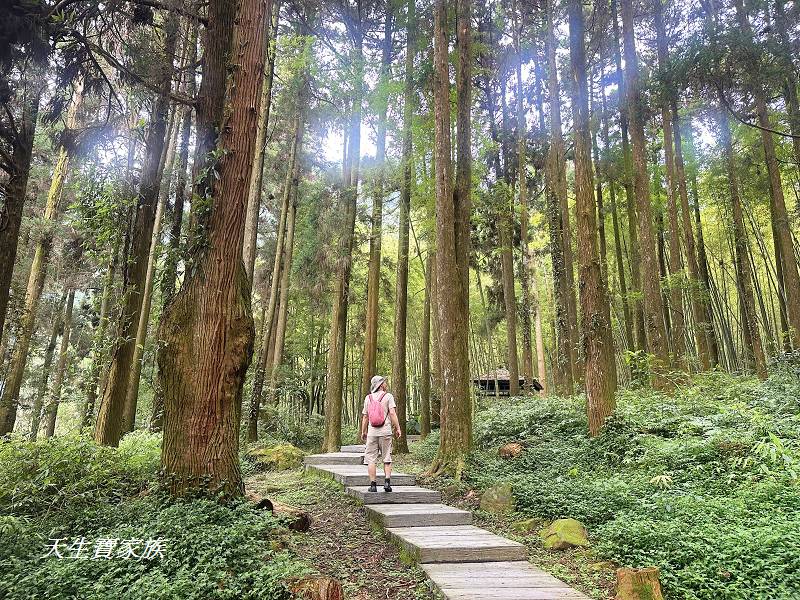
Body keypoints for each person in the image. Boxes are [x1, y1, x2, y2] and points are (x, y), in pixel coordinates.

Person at [360, 375, 402, 492]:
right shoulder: (388, 396)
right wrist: (398, 428)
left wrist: (364, 431)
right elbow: (392, 413)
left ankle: (373, 485)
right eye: (384, 382)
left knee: (371, 459)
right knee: (386, 458)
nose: (386, 384)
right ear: (381, 384)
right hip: (385, 432)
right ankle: (387, 484)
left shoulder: (368, 398)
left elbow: (365, 417)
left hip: (372, 432)